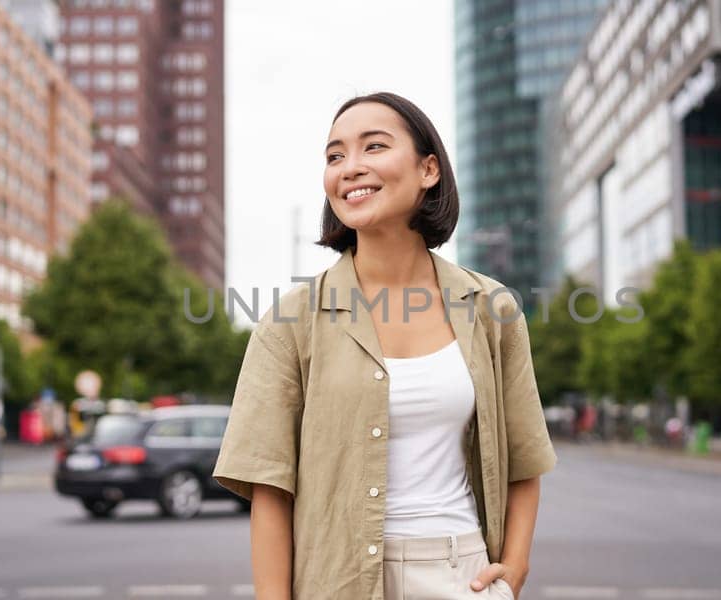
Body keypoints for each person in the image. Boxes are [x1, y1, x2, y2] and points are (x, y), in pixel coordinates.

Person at [213, 92, 556, 599]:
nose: (350, 167)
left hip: (462, 576)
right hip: (337, 581)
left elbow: (524, 455)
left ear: (429, 170)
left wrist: (516, 564)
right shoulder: (290, 322)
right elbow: (269, 487)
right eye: (335, 156)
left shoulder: (490, 309)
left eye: (373, 147)